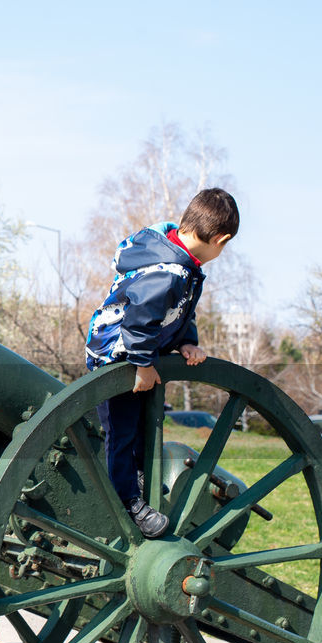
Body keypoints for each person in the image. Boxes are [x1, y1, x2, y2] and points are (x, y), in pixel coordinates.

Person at [84, 187, 239, 538]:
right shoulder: (169, 271)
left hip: (137, 354)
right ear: (221, 239)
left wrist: (186, 343)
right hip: (117, 357)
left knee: (140, 428)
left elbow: (178, 313)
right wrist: (141, 363)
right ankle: (126, 501)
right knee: (121, 433)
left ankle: (135, 480)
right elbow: (139, 318)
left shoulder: (171, 255)